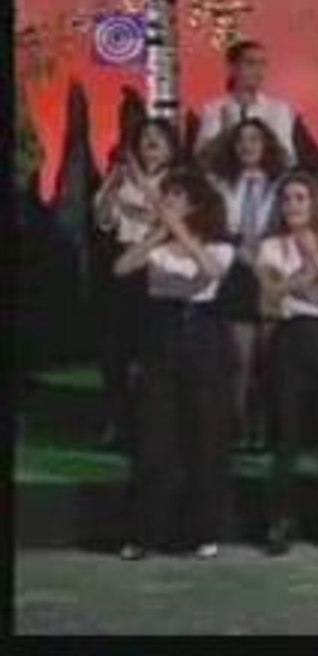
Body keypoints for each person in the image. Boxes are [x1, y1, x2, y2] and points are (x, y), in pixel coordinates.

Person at [114, 172, 235, 561]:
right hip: (161, 333)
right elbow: (122, 267)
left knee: (203, 435)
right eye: (165, 195)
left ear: (194, 203)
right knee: (154, 434)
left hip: (203, 334)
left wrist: (178, 229)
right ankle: (145, 532)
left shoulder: (219, 245)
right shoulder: (156, 247)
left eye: (176, 196)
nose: (167, 201)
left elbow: (210, 272)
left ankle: (202, 531)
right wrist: (155, 233)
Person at [258, 173, 318, 555]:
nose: (293, 205)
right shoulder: (270, 247)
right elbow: (271, 295)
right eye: (287, 199)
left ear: (314, 204)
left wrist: (311, 257)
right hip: (289, 338)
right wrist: (305, 278)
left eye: (300, 198)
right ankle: (281, 520)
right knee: (287, 431)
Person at [92, 117, 180, 448]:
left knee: (153, 353)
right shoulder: (122, 178)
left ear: (172, 146)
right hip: (122, 264)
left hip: (159, 267)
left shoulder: (177, 181)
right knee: (115, 351)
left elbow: (168, 221)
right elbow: (103, 221)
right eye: (145, 137)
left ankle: (153, 427)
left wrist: (142, 191)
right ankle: (117, 421)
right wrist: (113, 188)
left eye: (159, 137)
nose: (151, 142)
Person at [208, 117, 289, 450]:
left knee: (270, 360)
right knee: (239, 361)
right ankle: (238, 429)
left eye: (255, 139)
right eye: (241, 140)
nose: (247, 146)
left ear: (266, 145)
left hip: (272, 271)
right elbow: (216, 227)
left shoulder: (282, 184)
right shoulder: (222, 184)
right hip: (237, 274)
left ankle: (268, 429)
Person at [195, 39, 296, 166]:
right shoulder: (214, 108)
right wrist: (225, 133)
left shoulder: (278, 109)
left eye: (263, 64)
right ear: (232, 68)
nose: (258, 71)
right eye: (251, 63)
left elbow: (288, 158)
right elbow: (201, 157)